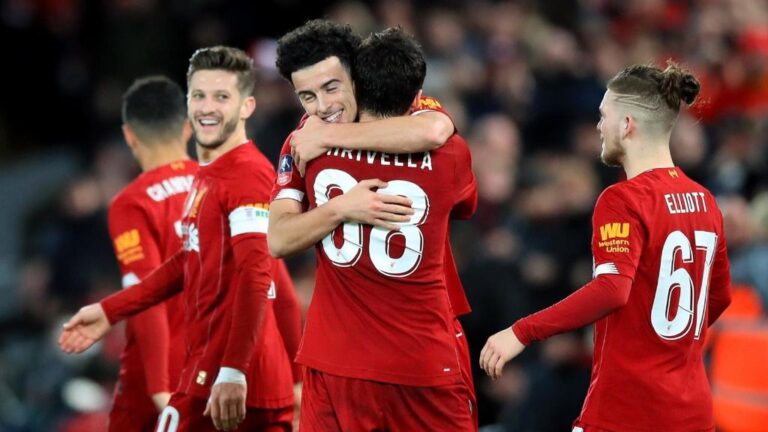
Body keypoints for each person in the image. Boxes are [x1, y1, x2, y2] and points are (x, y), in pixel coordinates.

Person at [480, 63, 733, 432]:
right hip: (692, 412)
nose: (599, 127)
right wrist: (667, 347)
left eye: (603, 116)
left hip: (626, 411)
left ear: (626, 124)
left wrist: (522, 331)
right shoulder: (705, 201)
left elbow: (611, 290)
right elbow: (720, 296)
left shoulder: (623, 200)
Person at [59, 46, 295, 432]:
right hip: (220, 374)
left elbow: (258, 276)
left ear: (248, 106)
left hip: (232, 381)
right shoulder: (208, 174)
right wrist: (109, 311)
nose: (207, 107)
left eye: (222, 97)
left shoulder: (246, 175)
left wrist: (234, 372)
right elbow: (189, 262)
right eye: (198, 95)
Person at [271, 19, 478, 425]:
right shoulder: (447, 149)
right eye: (307, 96)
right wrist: (340, 208)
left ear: (358, 76)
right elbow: (276, 240)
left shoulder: (309, 142)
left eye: (331, 88)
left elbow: (434, 128)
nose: (322, 106)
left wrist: (329, 141)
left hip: (339, 362)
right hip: (419, 357)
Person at [106, 76, 196, 431]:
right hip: (232, 367)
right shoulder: (226, 182)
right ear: (187, 128)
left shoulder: (132, 203)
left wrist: (160, 389)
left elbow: (145, 295)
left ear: (129, 135)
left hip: (163, 376)